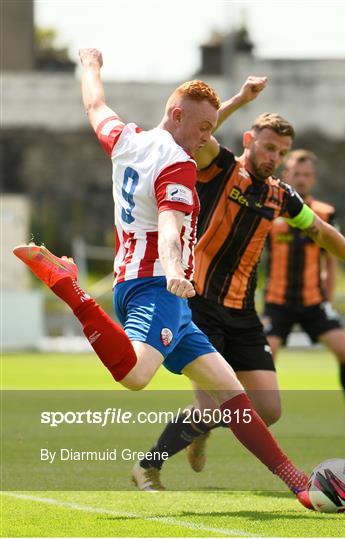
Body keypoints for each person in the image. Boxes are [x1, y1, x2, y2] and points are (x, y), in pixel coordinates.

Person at [13, 48, 321, 509]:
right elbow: (173, 228)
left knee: (231, 395)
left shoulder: (127, 140)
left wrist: (92, 65)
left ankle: (299, 483)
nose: (206, 139)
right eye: (202, 129)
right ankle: (71, 288)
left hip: (145, 288)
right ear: (176, 115)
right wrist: (177, 271)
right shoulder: (176, 163)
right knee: (137, 376)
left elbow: (95, 105)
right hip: (157, 285)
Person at [137, 81, 345, 489]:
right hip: (200, 303)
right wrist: (240, 100)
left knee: (269, 410)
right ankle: (148, 466)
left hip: (243, 312)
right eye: (268, 148)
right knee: (210, 406)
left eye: (281, 152)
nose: (274, 158)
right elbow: (194, 134)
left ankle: (198, 432)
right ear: (249, 141)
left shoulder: (281, 196)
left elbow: (324, 233)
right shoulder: (219, 166)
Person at [263, 149, 345, 435]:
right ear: (285, 175)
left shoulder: (325, 213)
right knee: (265, 361)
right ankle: (257, 419)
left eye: (306, 175)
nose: (301, 180)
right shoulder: (270, 212)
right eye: (296, 174)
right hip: (277, 302)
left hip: (313, 302)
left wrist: (328, 298)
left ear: (313, 179)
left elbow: (330, 258)